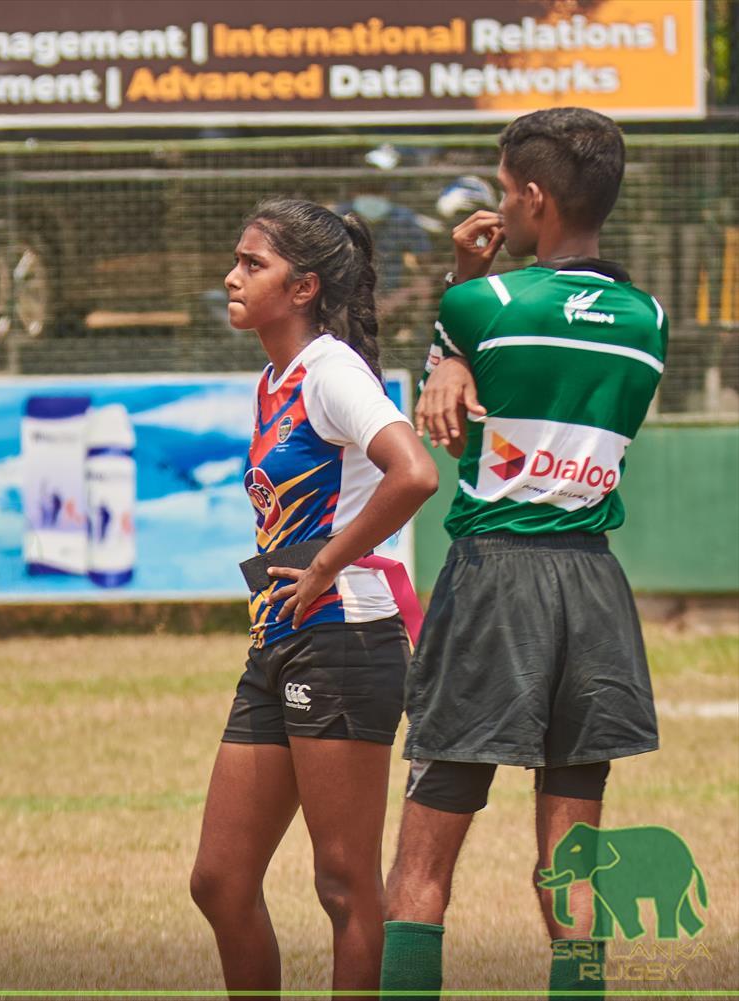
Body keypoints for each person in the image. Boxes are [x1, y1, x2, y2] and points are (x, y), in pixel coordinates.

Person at [381, 108, 666, 999]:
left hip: (495, 578)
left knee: (425, 855)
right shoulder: (649, 318)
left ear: (533, 199)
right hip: (593, 585)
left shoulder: (484, 302)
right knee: (573, 862)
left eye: (506, 192)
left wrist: (467, 281)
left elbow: (453, 397)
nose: (500, 205)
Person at [190, 199, 438, 997]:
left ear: (303, 287)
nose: (231, 276)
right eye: (236, 260)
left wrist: (329, 562)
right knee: (220, 881)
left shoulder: (332, 370)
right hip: (281, 640)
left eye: (251, 264)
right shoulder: (275, 377)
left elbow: (416, 472)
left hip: (345, 642)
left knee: (342, 883)